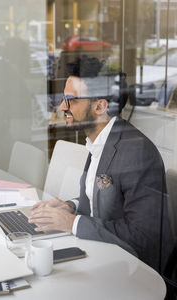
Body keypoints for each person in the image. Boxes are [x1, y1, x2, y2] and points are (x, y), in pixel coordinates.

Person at [29, 56, 173, 272]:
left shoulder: (137, 153)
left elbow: (143, 237)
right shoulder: (100, 140)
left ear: (100, 106)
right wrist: (71, 206)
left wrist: (71, 223)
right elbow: (104, 200)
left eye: (71, 99)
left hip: (131, 272)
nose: (62, 106)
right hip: (101, 255)